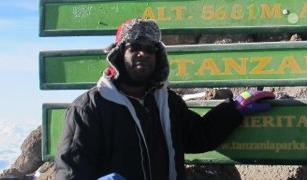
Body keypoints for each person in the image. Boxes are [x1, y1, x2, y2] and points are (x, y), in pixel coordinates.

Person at [54, 18, 275, 180]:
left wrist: (234, 110)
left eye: (150, 49)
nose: (144, 53)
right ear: (118, 54)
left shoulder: (167, 102)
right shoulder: (89, 107)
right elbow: (70, 171)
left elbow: (198, 137)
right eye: (135, 47)